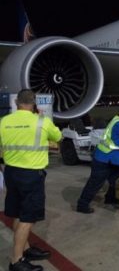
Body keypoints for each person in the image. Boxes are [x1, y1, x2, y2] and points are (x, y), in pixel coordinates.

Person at [0, 89, 62, 271]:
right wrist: (41, 118)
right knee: (28, 218)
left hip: (10, 173)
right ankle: (16, 261)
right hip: (31, 175)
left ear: (16, 103)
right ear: (34, 104)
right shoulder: (42, 121)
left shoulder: (4, 122)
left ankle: (25, 249)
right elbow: (58, 137)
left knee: (19, 213)